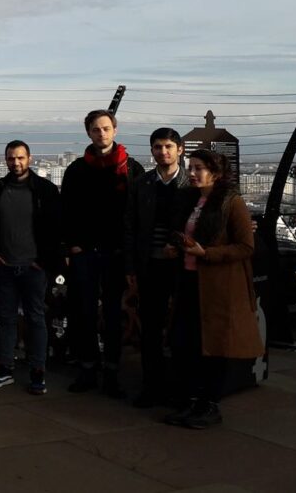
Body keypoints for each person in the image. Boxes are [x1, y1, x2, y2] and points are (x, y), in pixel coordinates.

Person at [164, 150, 263, 429]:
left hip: (218, 287)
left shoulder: (232, 203)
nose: (193, 173)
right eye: (191, 168)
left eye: (199, 169)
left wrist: (205, 252)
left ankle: (210, 404)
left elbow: (246, 247)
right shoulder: (189, 200)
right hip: (189, 281)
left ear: (216, 173)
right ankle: (193, 400)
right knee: (188, 344)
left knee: (214, 347)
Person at [61, 110, 144, 397]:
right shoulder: (77, 170)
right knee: (83, 312)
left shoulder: (131, 169)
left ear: (115, 130)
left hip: (116, 253)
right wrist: (72, 244)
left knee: (112, 314)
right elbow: (67, 209)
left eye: (106, 128)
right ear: (88, 133)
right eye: (96, 130)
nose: (102, 134)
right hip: (86, 252)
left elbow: (137, 213)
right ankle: (87, 367)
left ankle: (111, 370)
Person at [0, 140, 61, 395]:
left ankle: (38, 370)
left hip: (33, 267)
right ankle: (5, 367)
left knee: (35, 318)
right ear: (4, 160)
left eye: (20, 158)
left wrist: (44, 261)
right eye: (10, 158)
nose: (15, 163)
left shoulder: (45, 190)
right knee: (6, 319)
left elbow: (54, 229)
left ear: (29, 158)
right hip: (5, 266)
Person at [124, 128, 188, 408]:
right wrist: (131, 265)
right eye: (158, 147)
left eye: (168, 147)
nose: (163, 152)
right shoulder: (142, 184)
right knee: (150, 328)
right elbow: (130, 226)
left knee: (182, 327)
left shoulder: (190, 183)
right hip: (150, 265)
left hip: (183, 265)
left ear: (180, 149)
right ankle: (152, 386)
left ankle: (180, 387)